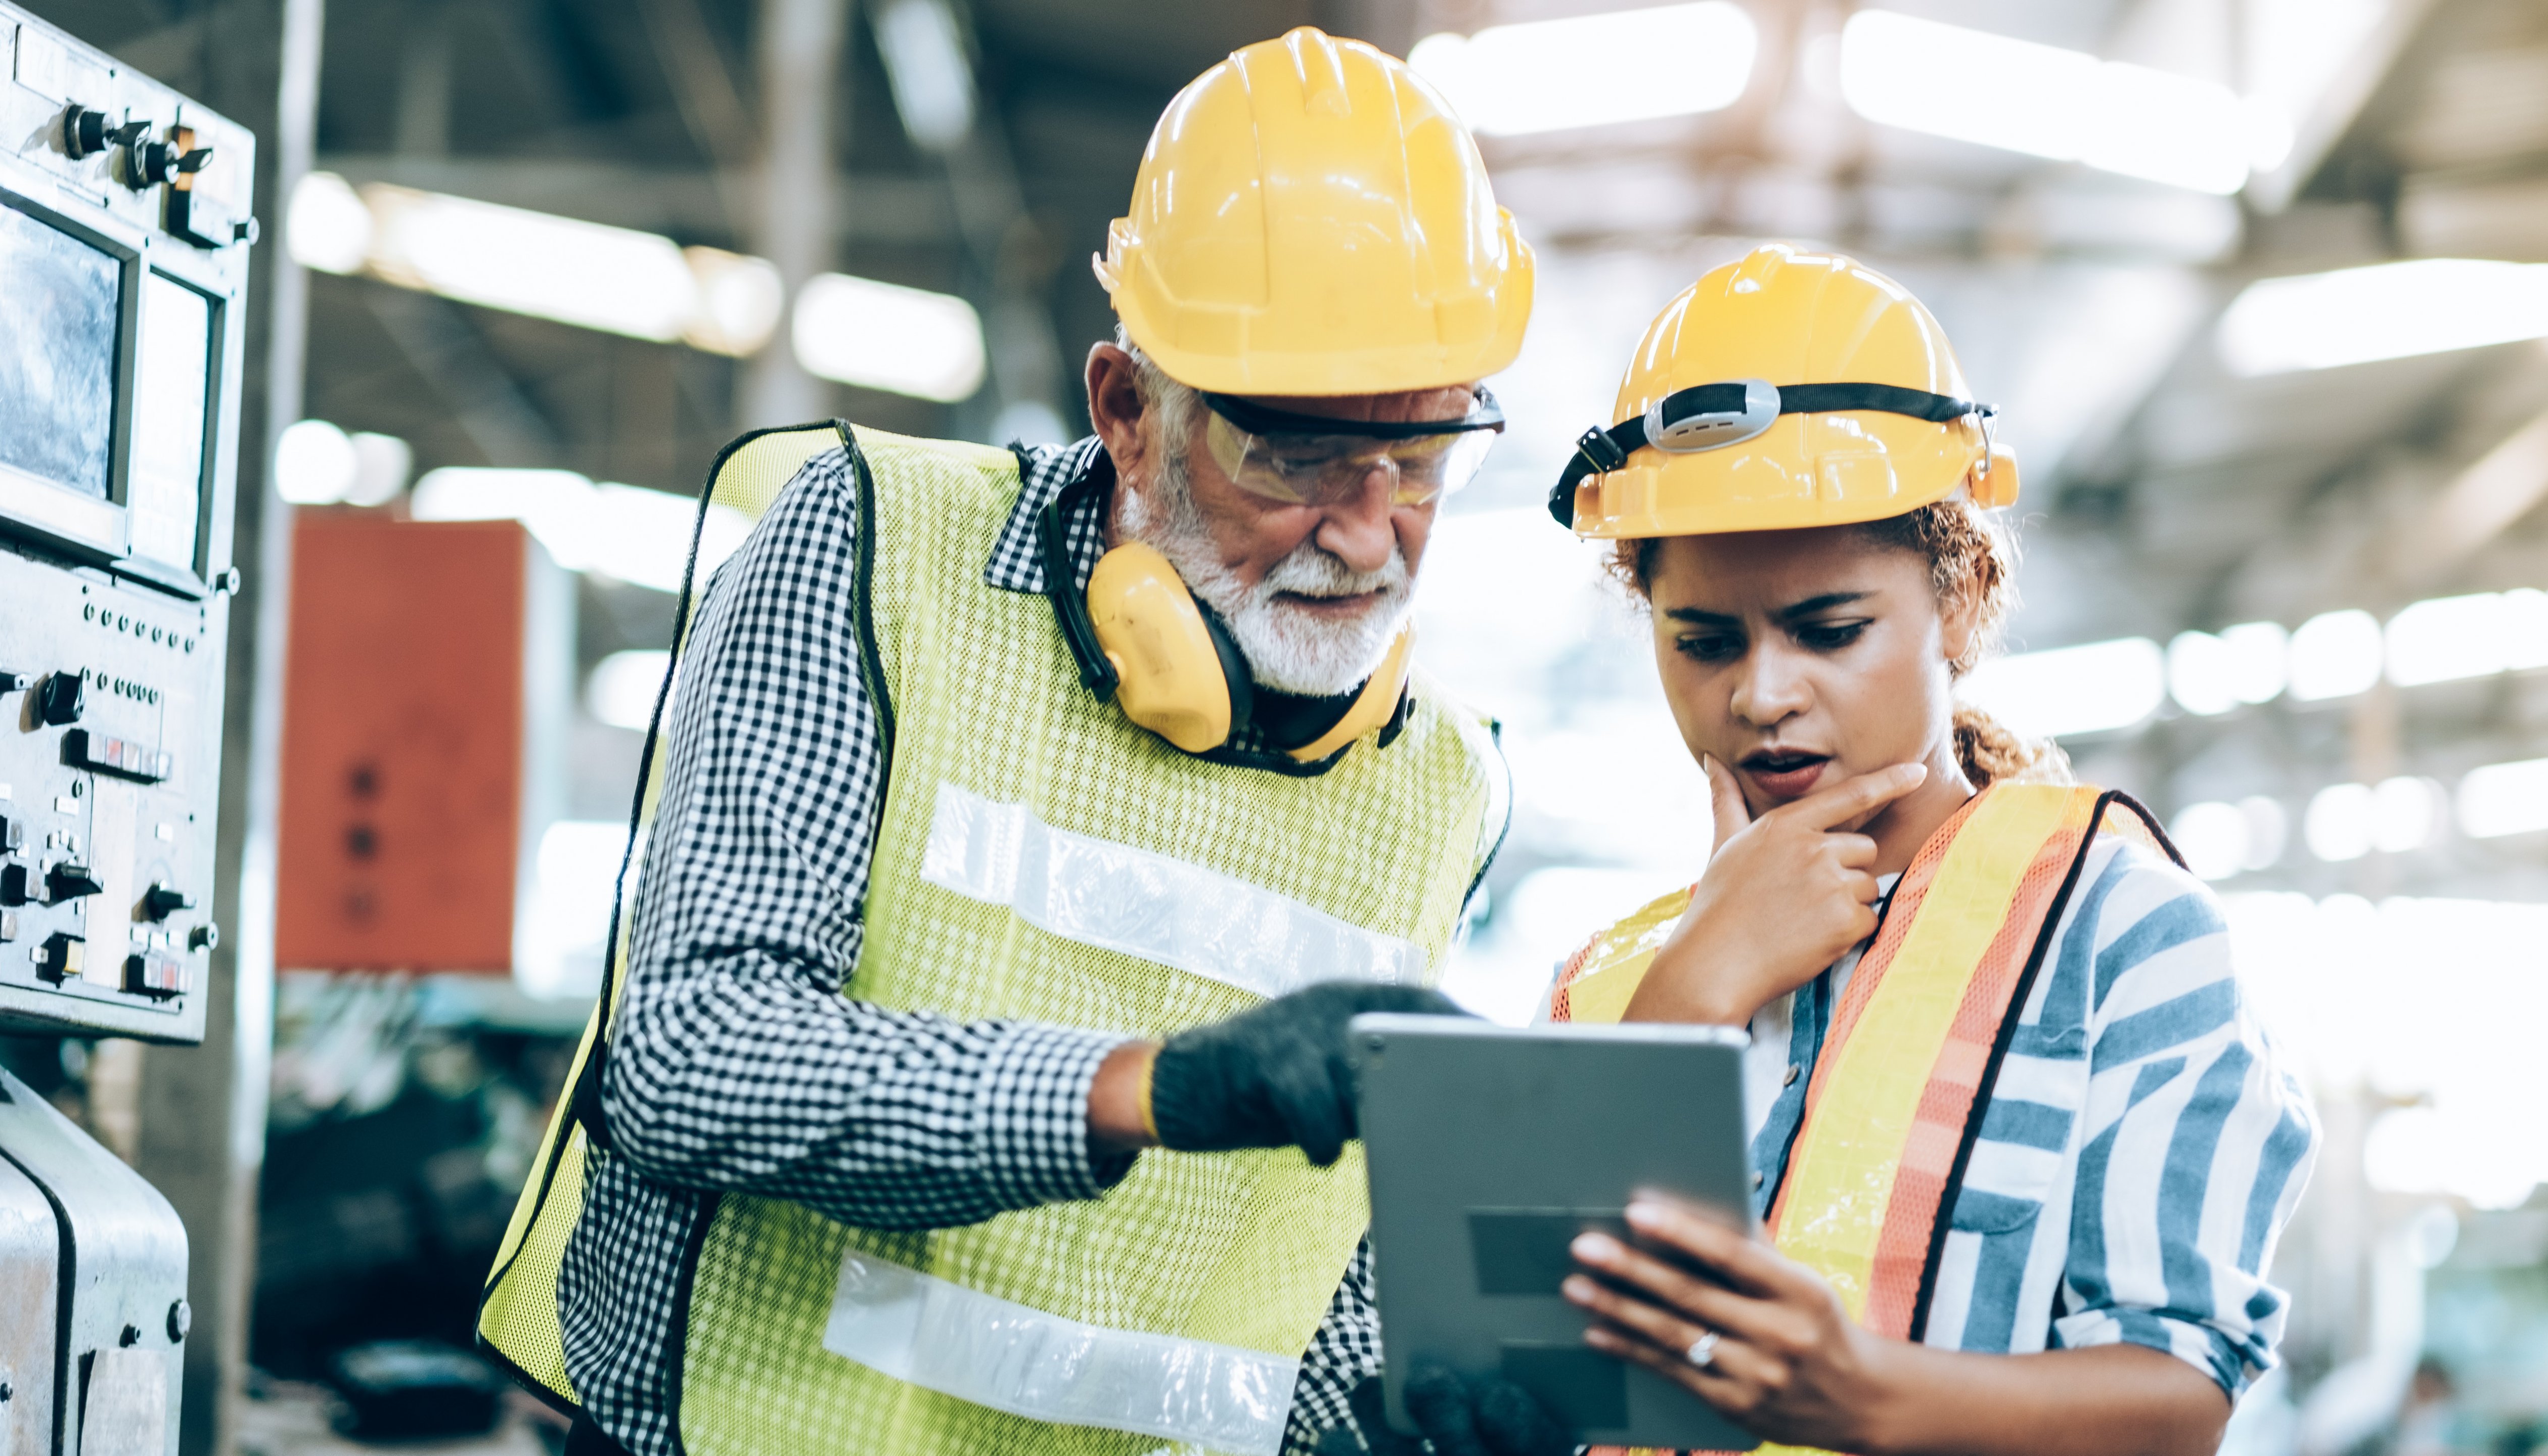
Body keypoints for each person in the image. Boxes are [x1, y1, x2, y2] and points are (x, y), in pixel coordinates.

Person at [473, 27, 1534, 1456]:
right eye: (1289, 457)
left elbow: (1302, 1263)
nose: (1365, 533)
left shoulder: (1441, 787)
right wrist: (1148, 1090)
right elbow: (688, 1061)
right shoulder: (874, 555)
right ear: (1125, 408)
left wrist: (1383, 1390)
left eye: (1418, 461)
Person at [1334, 245, 2318, 1456]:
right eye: (1703, 641)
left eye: (1828, 630)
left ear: (1957, 603)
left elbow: (2178, 1397)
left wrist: (1858, 1393)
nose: (1761, 695)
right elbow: (1514, 1371)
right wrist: (1694, 987)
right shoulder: (1608, 977)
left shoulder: (2119, 928)